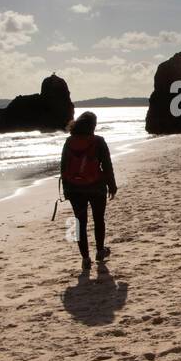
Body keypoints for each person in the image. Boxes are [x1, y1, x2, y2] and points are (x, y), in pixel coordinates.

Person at [60, 111, 117, 267]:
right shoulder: (98, 141)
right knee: (99, 219)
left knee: (79, 223)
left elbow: (64, 167)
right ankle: (100, 251)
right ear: (92, 125)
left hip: (74, 189)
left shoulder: (69, 142)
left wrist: (66, 189)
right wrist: (112, 185)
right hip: (96, 187)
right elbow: (107, 166)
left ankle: (85, 258)